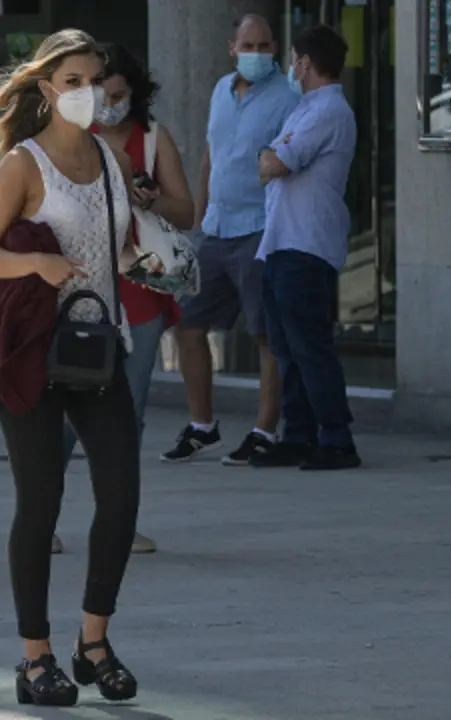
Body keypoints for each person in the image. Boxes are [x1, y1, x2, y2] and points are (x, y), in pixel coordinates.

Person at [0, 29, 139, 706]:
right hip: (31, 353)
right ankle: (34, 659)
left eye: (96, 81)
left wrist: (147, 263)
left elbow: (110, 250)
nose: (88, 94)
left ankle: (95, 642)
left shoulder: (108, 159)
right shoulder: (22, 167)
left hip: (98, 347)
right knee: (42, 501)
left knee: (120, 497)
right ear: (46, 90)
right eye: (74, 82)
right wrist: (35, 262)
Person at [50, 43, 195, 557]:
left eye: (118, 94)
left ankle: (118, 522)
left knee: (127, 414)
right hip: (84, 288)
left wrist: (151, 197)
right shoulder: (68, 141)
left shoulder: (153, 141)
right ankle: (42, 518)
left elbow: (187, 211)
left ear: (135, 95)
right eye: (99, 92)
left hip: (141, 288)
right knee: (67, 409)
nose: (108, 103)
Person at [163, 14, 299, 465]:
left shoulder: (288, 96)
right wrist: (200, 220)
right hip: (217, 230)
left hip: (261, 229)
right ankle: (203, 426)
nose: (257, 54)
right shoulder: (221, 89)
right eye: (249, 45)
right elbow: (210, 158)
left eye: (264, 46)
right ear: (231, 47)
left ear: (275, 47)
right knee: (187, 324)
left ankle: (264, 430)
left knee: (265, 335)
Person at [255, 25, 360, 471]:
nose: (290, 67)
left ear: (305, 63)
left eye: (293, 59)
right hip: (281, 241)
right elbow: (270, 165)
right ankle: (299, 434)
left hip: (306, 245)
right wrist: (270, 156)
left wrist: (269, 154)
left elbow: (273, 163)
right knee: (287, 347)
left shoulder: (328, 111)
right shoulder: (305, 109)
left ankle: (337, 438)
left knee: (309, 345)